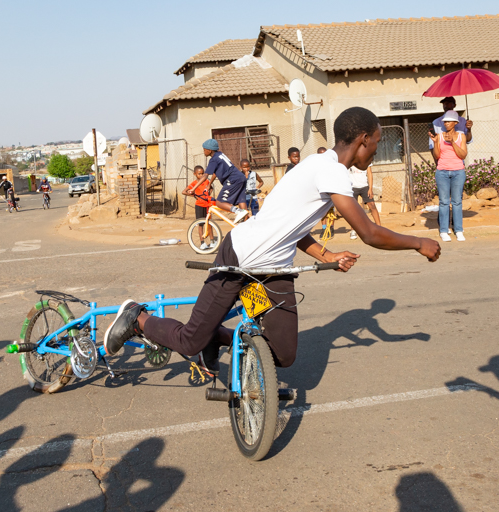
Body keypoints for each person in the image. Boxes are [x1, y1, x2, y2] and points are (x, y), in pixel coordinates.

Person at [103, 106, 441, 378]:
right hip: (241, 254)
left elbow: (290, 226)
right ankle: (138, 318)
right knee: (190, 339)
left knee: (284, 354)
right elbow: (369, 233)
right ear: (363, 139)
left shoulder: (318, 164)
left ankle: (215, 339)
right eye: (378, 142)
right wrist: (418, 243)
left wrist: (326, 254)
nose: (377, 149)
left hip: (275, 266)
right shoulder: (331, 170)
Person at [429, 110, 468, 242]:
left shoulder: (461, 136)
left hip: (458, 171)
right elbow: (437, 156)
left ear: (455, 123)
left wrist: (452, 143)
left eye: (449, 121)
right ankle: (444, 231)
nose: (446, 123)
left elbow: (463, 155)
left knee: (457, 202)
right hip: (442, 172)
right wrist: (435, 142)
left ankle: (458, 230)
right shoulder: (439, 136)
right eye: (445, 121)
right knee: (444, 202)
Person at [201, 139, 249, 224]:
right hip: (241, 178)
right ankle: (246, 222)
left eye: (204, 149)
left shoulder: (213, 159)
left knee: (219, 202)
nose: (203, 151)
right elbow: (215, 173)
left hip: (232, 180)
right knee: (241, 200)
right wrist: (209, 184)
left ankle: (239, 212)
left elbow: (205, 175)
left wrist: (193, 189)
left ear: (209, 150)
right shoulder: (220, 154)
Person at [348, 162, 381, 239]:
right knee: (353, 209)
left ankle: (379, 228)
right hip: (352, 187)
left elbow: (369, 173)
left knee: (372, 205)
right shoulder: (350, 158)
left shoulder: (365, 159)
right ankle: (353, 230)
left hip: (364, 187)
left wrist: (370, 188)